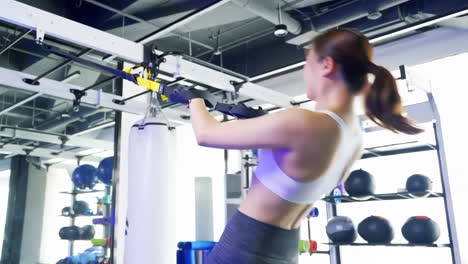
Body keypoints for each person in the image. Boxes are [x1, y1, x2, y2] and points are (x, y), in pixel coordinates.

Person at [170, 28, 422, 264]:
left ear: (326, 65)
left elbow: (206, 134)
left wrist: (194, 101)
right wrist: (260, 123)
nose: (305, 72)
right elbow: (295, 171)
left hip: (245, 246)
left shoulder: (304, 121)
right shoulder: (353, 135)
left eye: (307, 63)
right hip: (285, 250)